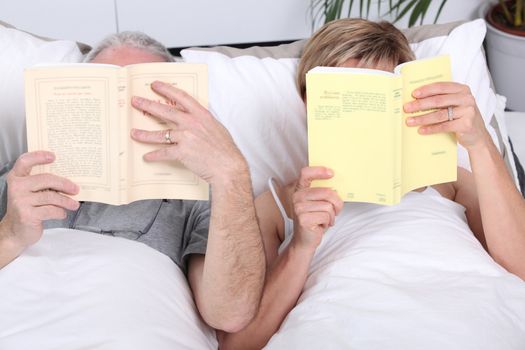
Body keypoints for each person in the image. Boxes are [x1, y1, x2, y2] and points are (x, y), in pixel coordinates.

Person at [217, 18, 525, 349]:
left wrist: (479, 142)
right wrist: (302, 246)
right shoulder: (274, 205)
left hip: (473, 316)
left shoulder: (447, 180)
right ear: (309, 100)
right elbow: (239, 343)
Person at [0, 32, 266, 333]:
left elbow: (230, 315)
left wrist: (231, 174)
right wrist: (10, 234)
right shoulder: (20, 178)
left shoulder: (203, 194)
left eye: (143, 106)